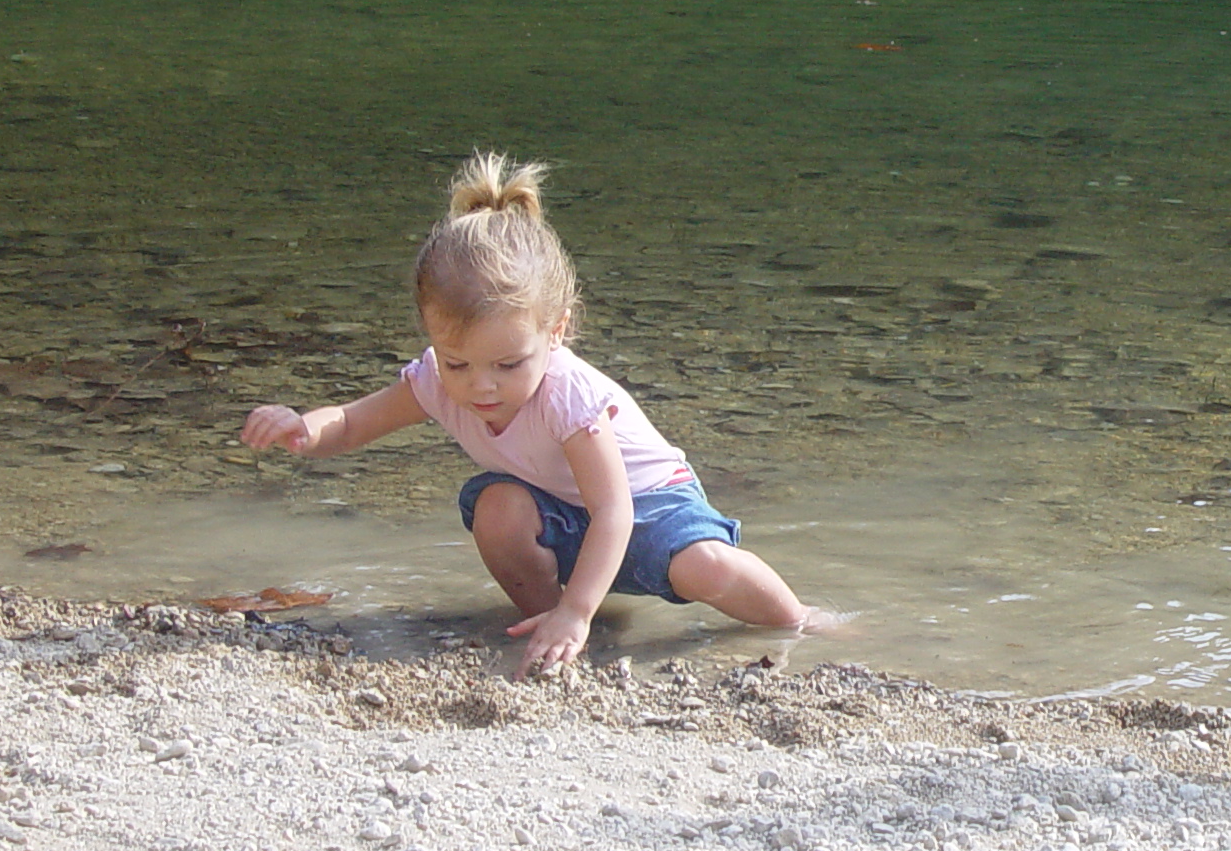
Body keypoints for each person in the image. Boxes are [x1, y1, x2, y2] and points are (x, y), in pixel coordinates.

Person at [240, 153, 827, 675]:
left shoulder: (567, 394)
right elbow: (349, 423)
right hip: (562, 515)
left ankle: (803, 621)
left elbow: (615, 511)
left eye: (507, 364)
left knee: (707, 570)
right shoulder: (438, 381)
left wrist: (581, 606)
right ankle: (549, 628)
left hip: (648, 505)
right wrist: (304, 428)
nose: (481, 387)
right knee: (497, 508)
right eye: (458, 363)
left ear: (557, 331)